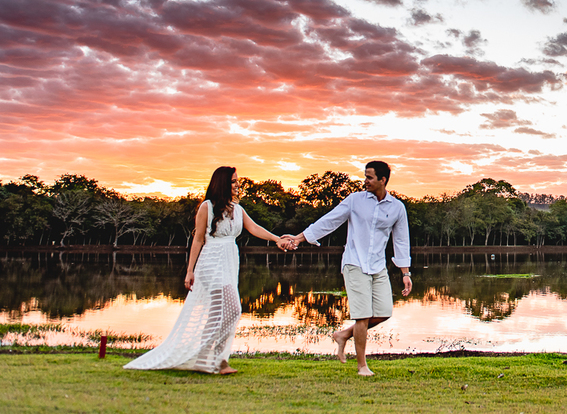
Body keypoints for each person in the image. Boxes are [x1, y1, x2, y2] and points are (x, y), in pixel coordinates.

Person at [125, 166, 291, 375]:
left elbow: (255, 228)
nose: (237, 184)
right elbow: (198, 239)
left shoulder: (238, 209)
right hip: (211, 262)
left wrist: (277, 239)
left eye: (237, 181)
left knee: (219, 314)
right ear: (222, 183)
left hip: (229, 261)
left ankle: (210, 359)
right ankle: (214, 359)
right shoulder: (207, 207)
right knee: (232, 310)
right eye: (233, 181)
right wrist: (190, 271)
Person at [281, 160, 412, 376]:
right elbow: (329, 221)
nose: (365, 181)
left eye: (369, 177)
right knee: (363, 315)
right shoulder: (355, 200)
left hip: (378, 266)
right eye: (365, 176)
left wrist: (405, 273)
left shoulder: (397, 208)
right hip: (354, 263)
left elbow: (401, 241)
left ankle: (343, 335)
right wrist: (300, 238)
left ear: (383, 180)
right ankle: (362, 366)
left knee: (384, 312)